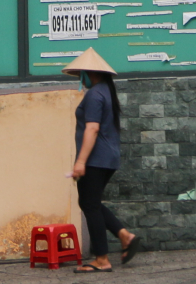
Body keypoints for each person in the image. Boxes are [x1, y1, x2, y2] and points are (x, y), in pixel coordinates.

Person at [61, 48, 139, 272]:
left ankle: (102, 259)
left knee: (89, 204)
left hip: (96, 158)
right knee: (91, 202)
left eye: (81, 74)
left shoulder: (94, 95)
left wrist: (80, 161)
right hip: (108, 157)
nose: (80, 78)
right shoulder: (106, 91)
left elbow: (92, 129)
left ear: (89, 72)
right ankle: (125, 236)